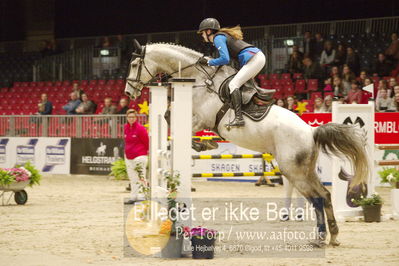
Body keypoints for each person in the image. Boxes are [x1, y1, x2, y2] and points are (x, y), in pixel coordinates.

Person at [197, 18, 269, 127]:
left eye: (202, 33)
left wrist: (208, 62)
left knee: (233, 84)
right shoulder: (221, 37)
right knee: (240, 84)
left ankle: (239, 118)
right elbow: (225, 60)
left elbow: (225, 59)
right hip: (256, 57)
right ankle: (251, 109)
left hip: (254, 59)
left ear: (208, 31)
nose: (202, 36)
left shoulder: (218, 38)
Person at [124, 109, 149, 204]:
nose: (131, 119)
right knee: (132, 178)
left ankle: (142, 196)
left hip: (140, 155)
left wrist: (145, 152)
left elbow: (146, 142)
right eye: (129, 117)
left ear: (136, 118)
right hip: (128, 156)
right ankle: (133, 196)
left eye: (133, 117)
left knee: (141, 177)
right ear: (127, 118)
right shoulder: (126, 127)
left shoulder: (141, 128)